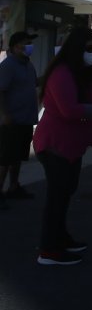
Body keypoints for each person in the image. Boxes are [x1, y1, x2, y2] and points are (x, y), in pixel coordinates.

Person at [33, 27, 92, 265]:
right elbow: (69, 109)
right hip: (55, 144)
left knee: (65, 194)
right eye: (90, 49)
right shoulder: (61, 73)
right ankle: (49, 249)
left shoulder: (83, 72)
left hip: (71, 146)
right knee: (57, 197)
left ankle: (60, 238)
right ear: (76, 48)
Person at [0, 32, 40, 208]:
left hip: (25, 118)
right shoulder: (8, 65)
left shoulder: (28, 65)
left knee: (17, 156)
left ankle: (13, 186)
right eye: (25, 44)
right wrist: (4, 114)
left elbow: (33, 83)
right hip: (11, 120)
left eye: (30, 43)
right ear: (15, 47)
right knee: (5, 158)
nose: (29, 46)